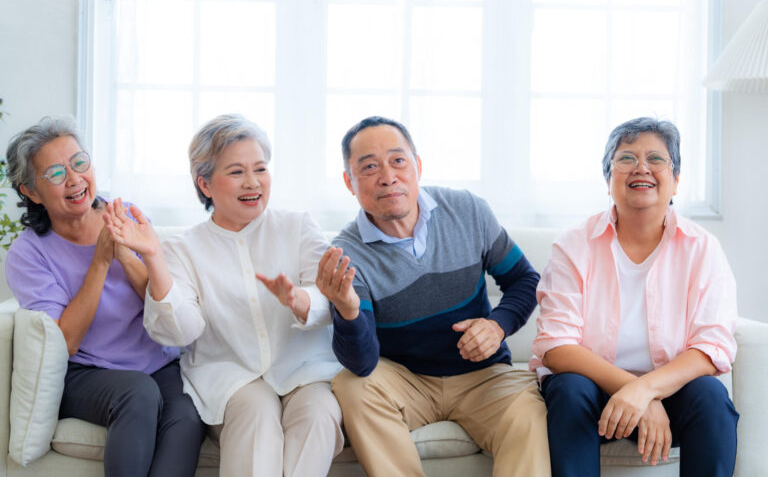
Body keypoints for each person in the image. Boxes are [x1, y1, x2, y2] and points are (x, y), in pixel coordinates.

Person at [104, 113, 344, 477]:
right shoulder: (182, 249)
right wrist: (153, 257)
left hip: (304, 371)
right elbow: (179, 332)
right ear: (205, 184)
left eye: (260, 169)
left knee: (320, 414)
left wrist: (301, 300)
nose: (253, 183)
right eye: (236, 172)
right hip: (231, 377)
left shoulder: (297, 225)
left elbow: (329, 300)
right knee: (256, 412)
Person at [317, 115, 550, 477]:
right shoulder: (347, 254)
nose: (388, 176)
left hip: (483, 376)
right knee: (351, 385)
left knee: (529, 411)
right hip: (406, 379)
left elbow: (524, 279)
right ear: (349, 181)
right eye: (369, 167)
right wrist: (347, 311)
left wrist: (497, 326)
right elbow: (362, 364)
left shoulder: (468, 211)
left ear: (417, 166)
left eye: (398, 161)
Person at [532, 117, 739, 476]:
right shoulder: (573, 245)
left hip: (673, 389)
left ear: (675, 180)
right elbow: (556, 344)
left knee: (711, 397)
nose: (641, 168)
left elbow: (712, 346)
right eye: (626, 158)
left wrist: (648, 391)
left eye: (656, 159)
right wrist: (637, 392)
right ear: (608, 179)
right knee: (568, 390)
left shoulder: (703, 248)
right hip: (592, 392)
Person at [4, 116, 205, 477]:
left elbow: (162, 306)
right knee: (138, 393)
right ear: (31, 192)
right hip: (85, 371)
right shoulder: (27, 254)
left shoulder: (123, 215)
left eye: (79, 162)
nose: (74, 178)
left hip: (157, 362)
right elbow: (64, 341)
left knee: (188, 413)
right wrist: (100, 260)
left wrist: (127, 252)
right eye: (55, 173)